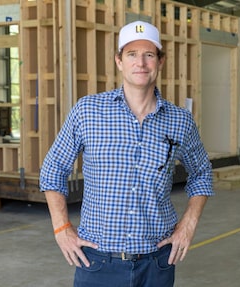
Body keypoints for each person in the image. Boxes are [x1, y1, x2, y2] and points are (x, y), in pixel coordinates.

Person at [39, 20, 213, 287]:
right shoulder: (88, 111)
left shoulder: (180, 121)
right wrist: (62, 228)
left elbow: (201, 173)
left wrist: (188, 224)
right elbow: (53, 169)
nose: (140, 63)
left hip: (157, 262)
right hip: (97, 263)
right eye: (132, 54)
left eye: (149, 54)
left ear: (160, 61)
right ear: (119, 61)